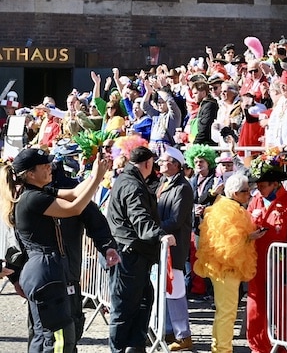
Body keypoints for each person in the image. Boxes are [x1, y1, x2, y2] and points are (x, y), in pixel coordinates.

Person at [0, 147, 112, 353]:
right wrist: (96, 179)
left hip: (46, 270)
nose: (50, 167)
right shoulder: (33, 198)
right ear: (30, 174)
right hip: (44, 270)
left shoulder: (36, 192)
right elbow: (75, 208)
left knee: (49, 336)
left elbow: (73, 193)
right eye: (44, 165)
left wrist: (97, 173)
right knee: (58, 339)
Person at [107, 146, 172, 353]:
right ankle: (120, 349)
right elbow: (140, 218)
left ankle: (134, 347)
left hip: (133, 253)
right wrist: (160, 235)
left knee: (144, 299)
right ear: (147, 164)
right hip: (129, 254)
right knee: (124, 307)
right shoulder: (132, 185)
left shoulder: (126, 180)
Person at [193, 172, 261, 353]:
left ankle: (219, 347)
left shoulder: (223, 206)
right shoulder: (231, 210)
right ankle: (223, 349)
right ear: (236, 193)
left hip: (222, 266)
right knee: (227, 312)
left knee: (223, 311)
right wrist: (251, 236)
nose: (249, 194)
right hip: (227, 267)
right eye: (246, 191)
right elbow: (230, 241)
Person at [246, 151, 287, 353]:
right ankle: (258, 346)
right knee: (255, 306)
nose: (259, 189)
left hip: (281, 265)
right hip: (256, 262)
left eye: (262, 185)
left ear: (275, 183)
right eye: (257, 186)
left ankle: (285, 347)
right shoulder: (255, 201)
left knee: (283, 308)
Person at [156, 147, 195, 351]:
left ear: (176, 164)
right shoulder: (164, 184)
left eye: (165, 161)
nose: (161, 163)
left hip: (175, 247)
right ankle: (169, 330)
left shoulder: (183, 188)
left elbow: (176, 219)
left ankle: (183, 335)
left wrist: (152, 228)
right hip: (163, 244)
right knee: (165, 290)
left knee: (176, 290)